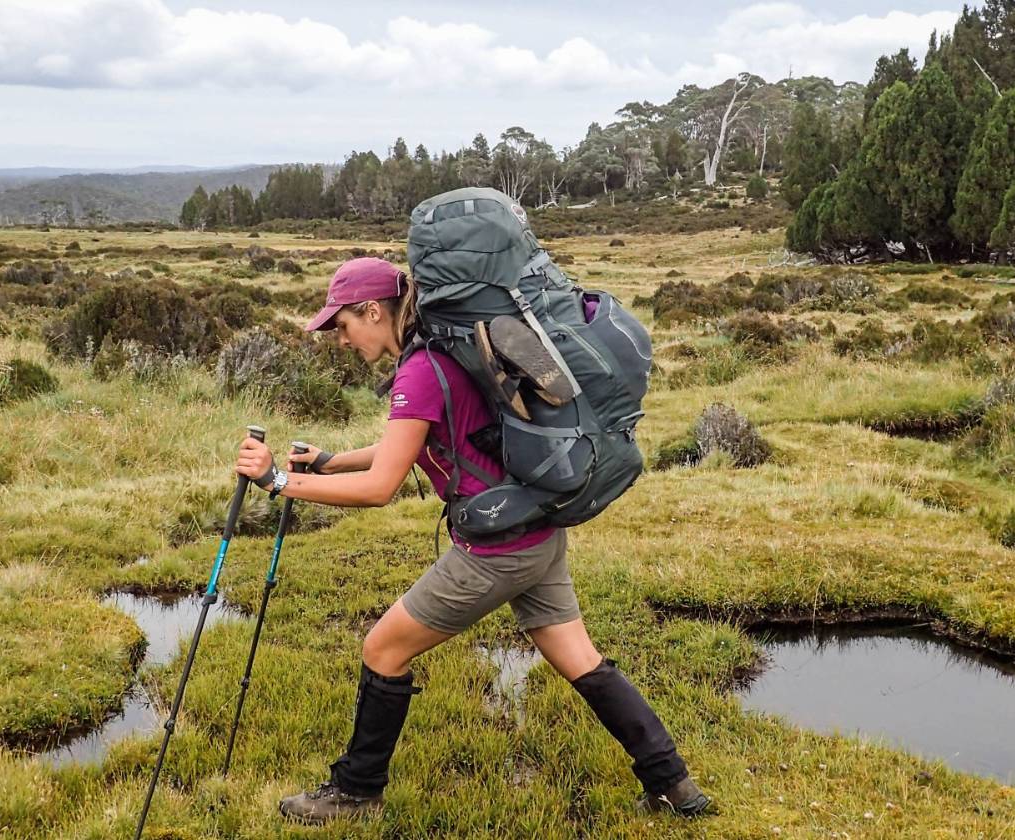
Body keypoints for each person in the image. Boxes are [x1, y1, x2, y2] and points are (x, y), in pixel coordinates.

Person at [233, 256, 713, 825]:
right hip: (536, 527)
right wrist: (331, 462)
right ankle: (674, 785)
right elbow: (409, 446)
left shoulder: (421, 368)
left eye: (342, 325)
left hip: (497, 550)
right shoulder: (447, 350)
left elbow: (382, 485)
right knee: (581, 660)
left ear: (372, 310)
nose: (341, 340)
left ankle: (356, 793)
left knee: (383, 650)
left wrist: (279, 481)